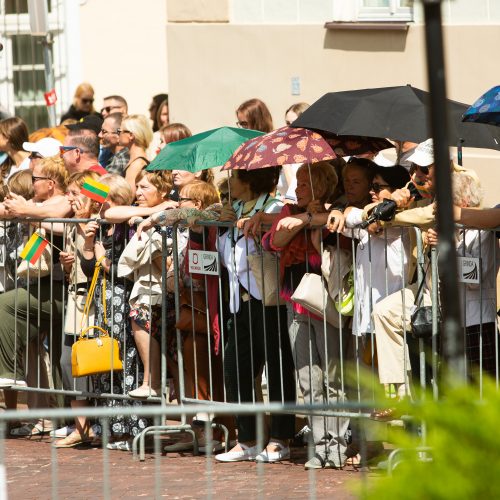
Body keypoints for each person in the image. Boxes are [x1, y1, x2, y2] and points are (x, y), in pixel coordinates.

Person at [262, 161, 348, 469]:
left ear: (321, 187)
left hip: (326, 302)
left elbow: (333, 235)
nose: (296, 190)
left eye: (303, 185)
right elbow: (274, 241)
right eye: (296, 184)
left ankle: (336, 448)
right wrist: (301, 218)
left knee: (334, 378)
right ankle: (319, 447)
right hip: (294, 300)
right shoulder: (288, 212)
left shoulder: (337, 210)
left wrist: (312, 218)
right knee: (308, 379)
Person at [215, 167, 296, 464]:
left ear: (249, 180)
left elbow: (279, 240)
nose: (229, 183)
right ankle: (246, 438)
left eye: (234, 177)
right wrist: (223, 223)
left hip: (268, 299)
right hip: (239, 301)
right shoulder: (231, 208)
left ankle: (280, 438)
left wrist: (261, 225)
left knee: (276, 370)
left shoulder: (273, 207)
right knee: (236, 370)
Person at [80, 174, 149, 450]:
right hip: (102, 301)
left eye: (102, 199)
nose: (97, 205)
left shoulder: (127, 227)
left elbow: (121, 268)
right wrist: (88, 243)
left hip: (121, 298)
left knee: (124, 358)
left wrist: (100, 257)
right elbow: (90, 269)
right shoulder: (103, 227)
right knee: (105, 360)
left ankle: (130, 427)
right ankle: (109, 425)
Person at [106, 170, 173, 399]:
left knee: (174, 343)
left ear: (163, 190)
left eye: (145, 187)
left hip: (170, 286)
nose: (139, 192)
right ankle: (150, 381)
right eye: (138, 187)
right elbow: (110, 212)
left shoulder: (173, 209)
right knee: (140, 320)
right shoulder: (147, 209)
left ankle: (157, 383)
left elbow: (168, 259)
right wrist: (151, 212)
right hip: (148, 285)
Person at [54, 170, 102, 448]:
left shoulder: (93, 224)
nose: (70, 199)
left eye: (75, 194)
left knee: (81, 361)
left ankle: (85, 425)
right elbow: (74, 268)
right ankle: (81, 424)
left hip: (92, 301)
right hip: (75, 296)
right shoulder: (74, 224)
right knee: (67, 360)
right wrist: (66, 263)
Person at [341, 165, 411, 338]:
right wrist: (365, 215)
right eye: (372, 186)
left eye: (378, 187)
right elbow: (347, 215)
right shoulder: (370, 216)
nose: (372, 192)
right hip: (367, 312)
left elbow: (377, 225)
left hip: (389, 313)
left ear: (396, 191)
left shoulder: (401, 220)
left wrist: (368, 217)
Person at [119, 114, 153, 193]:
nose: (118, 134)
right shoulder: (138, 161)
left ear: (131, 135)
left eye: (119, 131)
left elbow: (126, 197)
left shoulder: (136, 165)